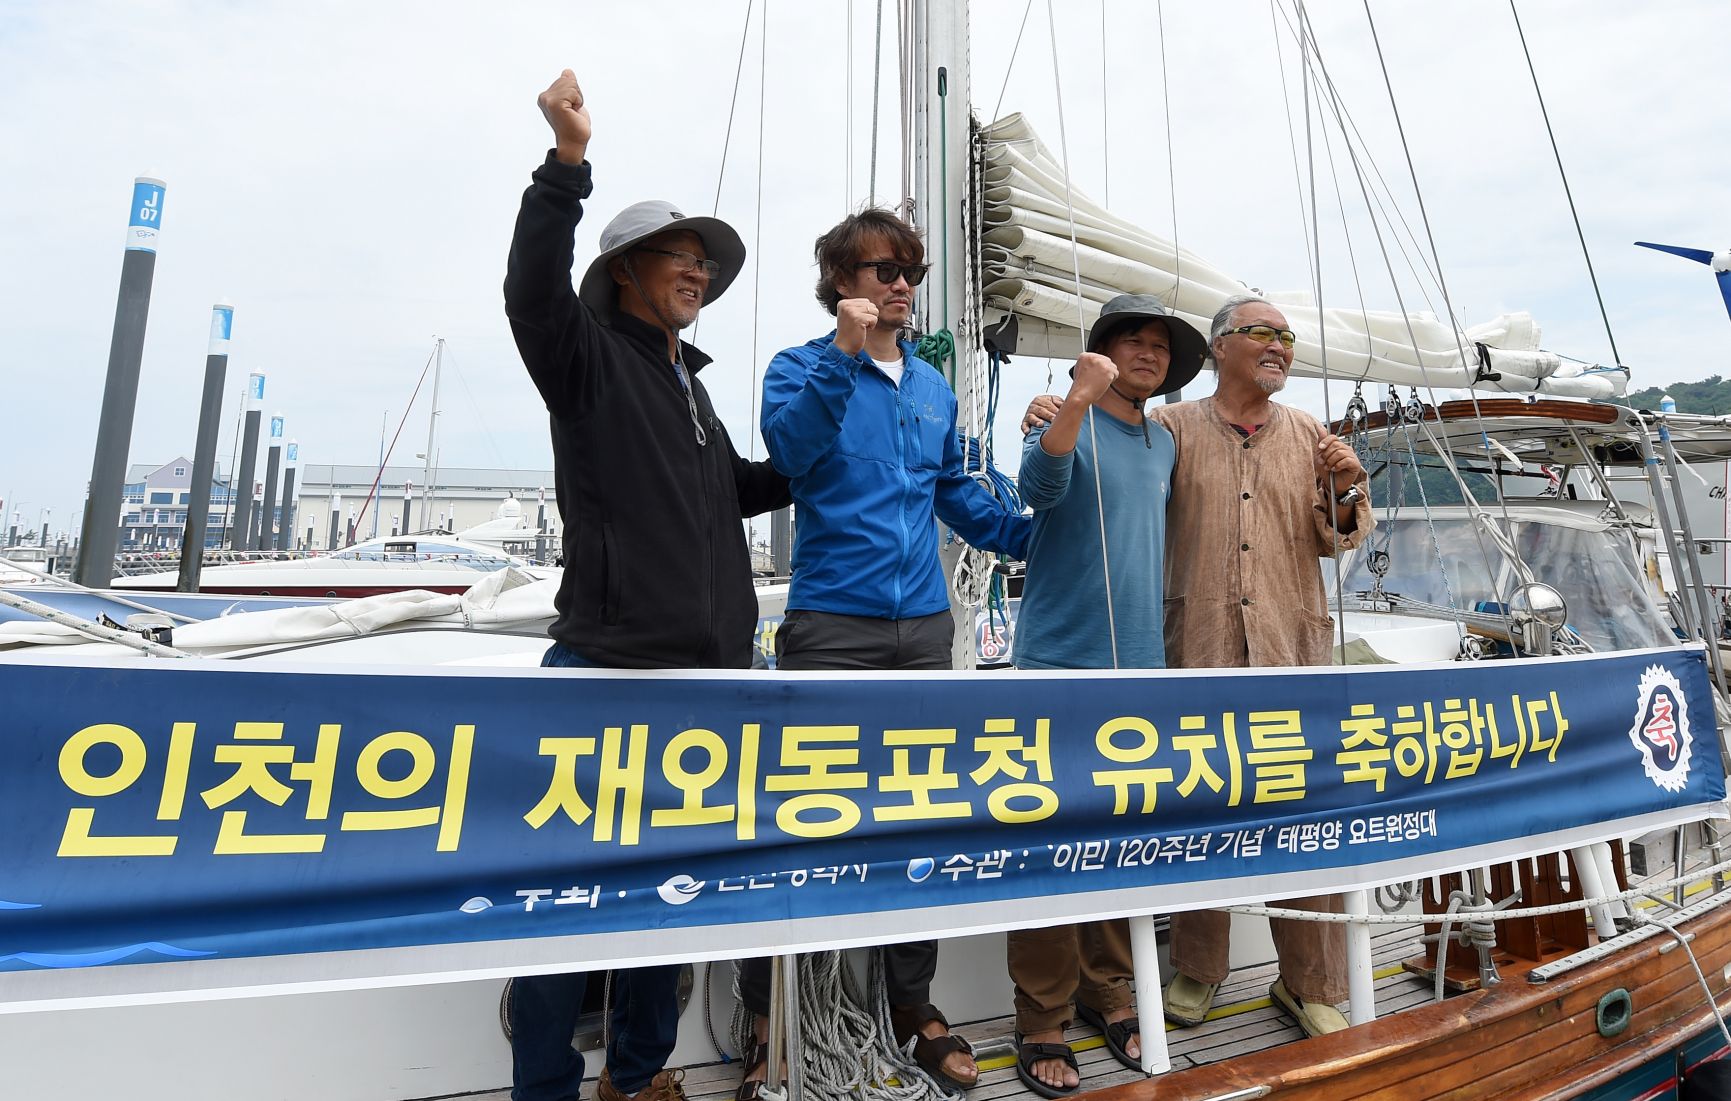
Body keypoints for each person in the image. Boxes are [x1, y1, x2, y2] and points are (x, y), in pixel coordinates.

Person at [503, 69, 791, 1101]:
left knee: (667, 900)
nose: (701, 272)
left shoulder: (695, 394)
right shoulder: (585, 358)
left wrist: (831, 438)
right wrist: (566, 166)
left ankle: (639, 1076)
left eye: (707, 263)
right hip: (607, 672)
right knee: (564, 908)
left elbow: (738, 491)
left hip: (708, 681)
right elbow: (530, 292)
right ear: (627, 269)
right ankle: (543, 1087)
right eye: (683, 255)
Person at [733, 209, 1032, 1098]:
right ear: (839, 281)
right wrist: (841, 354)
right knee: (802, 818)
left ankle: (912, 1004)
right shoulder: (800, 366)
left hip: (924, 632)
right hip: (830, 624)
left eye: (910, 269)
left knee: (916, 816)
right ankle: (770, 1015)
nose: (900, 284)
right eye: (880, 269)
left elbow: (955, 496)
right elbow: (791, 453)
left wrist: (1028, 535)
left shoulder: (933, 386)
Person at [1023, 292, 1372, 1040]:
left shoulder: (1312, 432)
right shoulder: (1169, 431)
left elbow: (1337, 536)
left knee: (1302, 815)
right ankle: (1197, 967)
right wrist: (1055, 410)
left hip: (1289, 650)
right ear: (1220, 348)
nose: (1279, 345)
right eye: (1261, 333)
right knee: (1199, 809)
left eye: (1286, 335)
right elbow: (1093, 465)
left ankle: (1310, 981)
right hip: (1194, 649)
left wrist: (1344, 486)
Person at [1008, 294, 1206, 1096]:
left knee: (1119, 843)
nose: (1147, 351)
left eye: (1159, 345)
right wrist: (1075, 401)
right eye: (1131, 339)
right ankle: (1040, 1015)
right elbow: (1038, 488)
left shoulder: (1162, 441)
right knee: (1050, 848)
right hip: (1058, 663)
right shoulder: (1059, 417)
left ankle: (1109, 989)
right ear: (1099, 351)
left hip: (1141, 670)